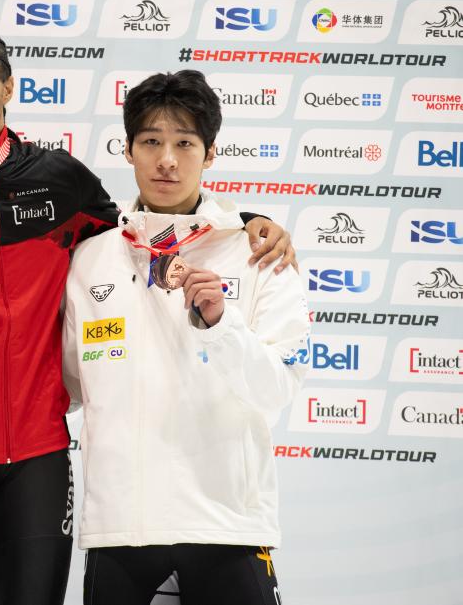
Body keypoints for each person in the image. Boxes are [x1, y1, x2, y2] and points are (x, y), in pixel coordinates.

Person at [0, 24, 296, 605]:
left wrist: (240, 223)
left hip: (39, 460)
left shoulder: (60, 180)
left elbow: (145, 230)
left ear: (8, 87)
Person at [62, 70, 310, 604]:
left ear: (210, 153)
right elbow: (69, 387)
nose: (167, 160)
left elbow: (277, 390)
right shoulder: (91, 259)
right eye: (151, 142)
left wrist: (222, 325)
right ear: (128, 150)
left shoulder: (258, 252)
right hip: (121, 526)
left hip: (226, 524)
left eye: (185, 144)